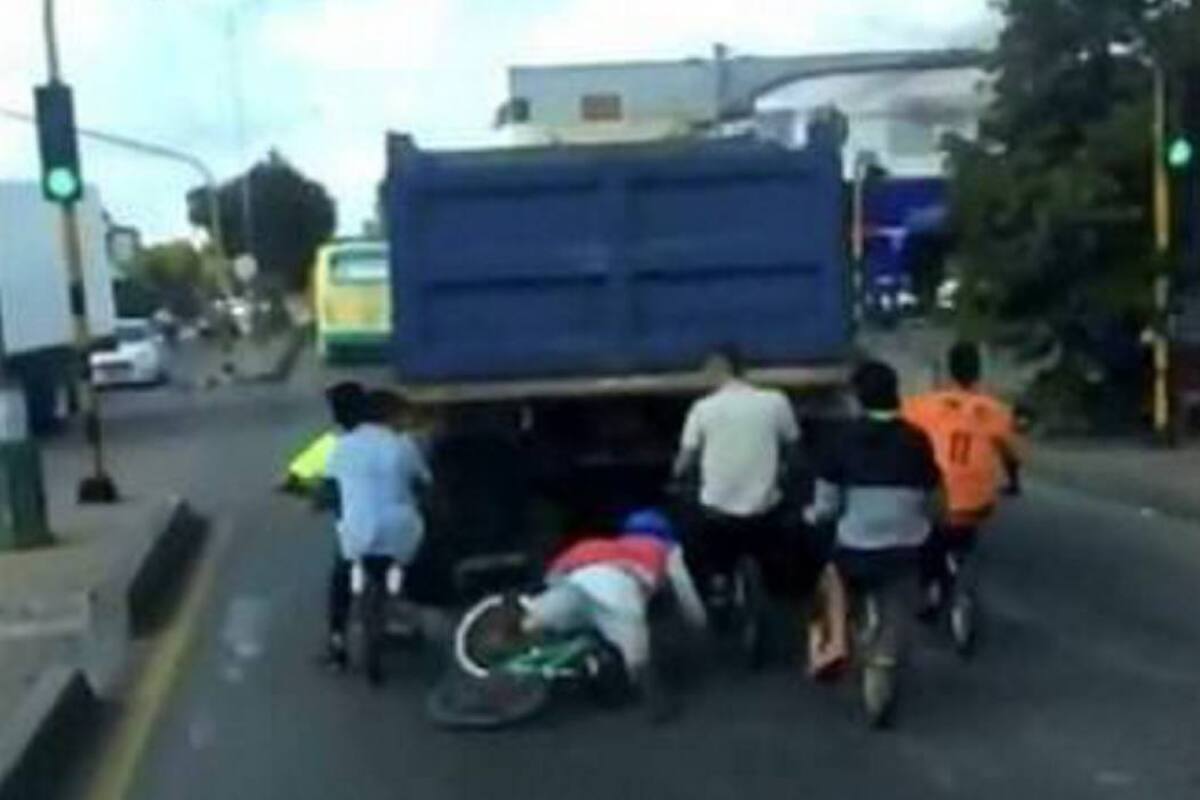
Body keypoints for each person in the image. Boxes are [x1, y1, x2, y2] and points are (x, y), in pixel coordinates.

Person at [804, 360, 940, 726]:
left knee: (830, 575)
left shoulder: (841, 441)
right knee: (899, 596)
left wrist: (814, 516)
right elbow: (932, 495)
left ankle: (833, 642)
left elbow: (826, 506)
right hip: (906, 548)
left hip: (858, 550)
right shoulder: (917, 439)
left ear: (857, 398)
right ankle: (884, 655)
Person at [513, 510, 707, 721]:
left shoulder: (598, 544)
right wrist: (698, 624)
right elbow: (683, 588)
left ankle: (504, 658)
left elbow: (553, 576)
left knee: (536, 623)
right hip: (618, 591)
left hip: (575, 583)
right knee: (636, 652)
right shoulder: (665, 549)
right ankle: (658, 705)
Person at [903, 341, 1023, 629]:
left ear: (948, 370)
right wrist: (1013, 483)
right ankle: (960, 576)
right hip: (977, 501)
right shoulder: (996, 410)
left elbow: (904, 439)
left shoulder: (921, 406)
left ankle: (931, 590)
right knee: (968, 530)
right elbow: (1011, 456)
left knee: (926, 537)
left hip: (936, 498)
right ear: (979, 371)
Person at [321, 382, 432, 680]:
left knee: (340, 575)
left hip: (357, 535)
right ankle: (410, 616)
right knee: (419, 562)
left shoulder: (341, 446)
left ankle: (336, 640)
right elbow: (423, 483)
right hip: (400, 533)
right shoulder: (402, 444)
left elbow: (330, 492)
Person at [672, 345, 801, 602]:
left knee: (694, 530)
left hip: (717, 514)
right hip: (766, 510)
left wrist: (676, 476)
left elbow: (684, 463)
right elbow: (794, 448)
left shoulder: (702, 408)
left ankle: (717, 581)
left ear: (717, 370)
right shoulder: (776, 401)